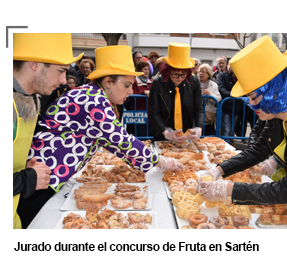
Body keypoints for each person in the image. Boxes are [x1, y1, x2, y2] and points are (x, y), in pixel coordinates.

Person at [27, 45, 183, 223]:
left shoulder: (92, 94)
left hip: (48, 172)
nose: (131, 91)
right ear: (108, 82)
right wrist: (160, 161)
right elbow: (121, 140)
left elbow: (115, 143)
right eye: (126, 85)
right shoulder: (93, 100)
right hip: (43, 176)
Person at [196, 35, 287, 229]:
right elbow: (257, 150)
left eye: (253, 97)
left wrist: (228, 189)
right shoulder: (279, 111)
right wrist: (219, 170)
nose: (252, 105)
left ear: (274, 91)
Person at [13, 33, 83, 229]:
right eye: (60, 71)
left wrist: (22, 167)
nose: (63, 80)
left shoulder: (31, 99)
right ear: (34, 63)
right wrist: (27, 179)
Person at [149, 42, 204, 142]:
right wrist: (166, 132)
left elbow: (199, 108)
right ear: (167, 71)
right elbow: (154, 113)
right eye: (175, 74)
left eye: (183, 74)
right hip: (163, 135)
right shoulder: (157, 83)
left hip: (187, 134)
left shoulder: (194, 81)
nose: (179, 78)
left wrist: (199, 128)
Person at [216, 63, 244, 143]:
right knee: (227, 130)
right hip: (226, 107)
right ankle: (226, 149)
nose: (231, 67)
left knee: (231, 130)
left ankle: (228, 147)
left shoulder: (240, 77)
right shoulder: (222, 76)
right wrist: (231, 95)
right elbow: (220, 88)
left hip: (237, 107)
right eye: (230, 65)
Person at [126, 60, 153, 136]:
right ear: (138, 71)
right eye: (145, 69)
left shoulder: (151, 82)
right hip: (138, 116)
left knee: (149, 137)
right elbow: (131, 95)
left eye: (148, 69)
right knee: (139, 136)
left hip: (149, 116)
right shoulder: (133, 82)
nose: (147, 71)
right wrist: (143, 92)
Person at [198, 63, 222, 135]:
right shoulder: (195, 83)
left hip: (208, 116)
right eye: (199, 71)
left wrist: (210, 94)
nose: (200, 73)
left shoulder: (213, 85)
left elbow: (219, 98)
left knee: (208, 137)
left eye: (203, 72)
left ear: (208, 74)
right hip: (196, 115)